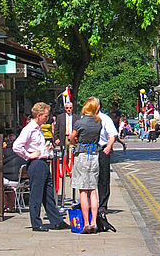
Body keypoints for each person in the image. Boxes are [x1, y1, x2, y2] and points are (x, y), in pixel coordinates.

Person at [13, 102, 69, 232]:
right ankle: (36, 223)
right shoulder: (29, 128)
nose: (47, 118)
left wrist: (46, 149)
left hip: (43, 162)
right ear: (38, 115)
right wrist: (29, 155)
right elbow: (17, 146)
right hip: (36, 163)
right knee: (37, 194)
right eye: (45, 116)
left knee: (48, 194)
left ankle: (56, 220)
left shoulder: (38, 128)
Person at [70, 98, 102, 234]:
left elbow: (71, 138)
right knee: (93, 190)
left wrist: (75, 141)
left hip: (82, 156)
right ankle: (94, 222)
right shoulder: (98, 123)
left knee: (83, 190)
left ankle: (86, 223)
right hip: (94, 155)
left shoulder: (79, 123)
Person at [91, 97, 118, 214]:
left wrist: (108, 147)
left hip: (102, 150)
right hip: (89, 151)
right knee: (89, 179)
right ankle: (90, 204)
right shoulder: (85, 118)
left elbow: (112, 134)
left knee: (103, 179)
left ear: (99, 106)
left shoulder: (105, 118)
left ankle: (102, 205)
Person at [3, 134, 25, 212]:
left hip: (8, 180)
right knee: (10, 187)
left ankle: (6, 204)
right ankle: (10, 205)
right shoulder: (20, 152)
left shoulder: (3, 153)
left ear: (6, 143)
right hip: (20, 181)